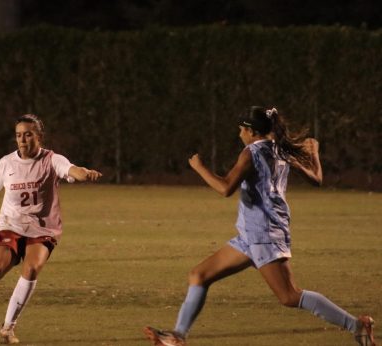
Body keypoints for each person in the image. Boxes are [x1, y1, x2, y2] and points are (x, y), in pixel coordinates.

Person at [144, 107, 376, 346]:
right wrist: (314, 152)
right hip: (251, 234)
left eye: (241, 130)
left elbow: (225, 188)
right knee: (199, 275)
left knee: (289, 296)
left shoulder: (251, 152)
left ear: (252, 131)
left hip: (264, 233)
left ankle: (356, 325)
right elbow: (316, 179)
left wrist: (199, 167)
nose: (239, 134)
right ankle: (178, 336)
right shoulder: (280, 149)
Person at [0, 114, 102, 344]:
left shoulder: (51, 159)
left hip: (43, 228)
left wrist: (85, 173)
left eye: (28, 135)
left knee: (31, 269)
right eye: (19, 135)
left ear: (39, 137)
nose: (22, 139)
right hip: (11, 224)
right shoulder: (7, 162)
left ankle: (8, 328)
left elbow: (73, 169)